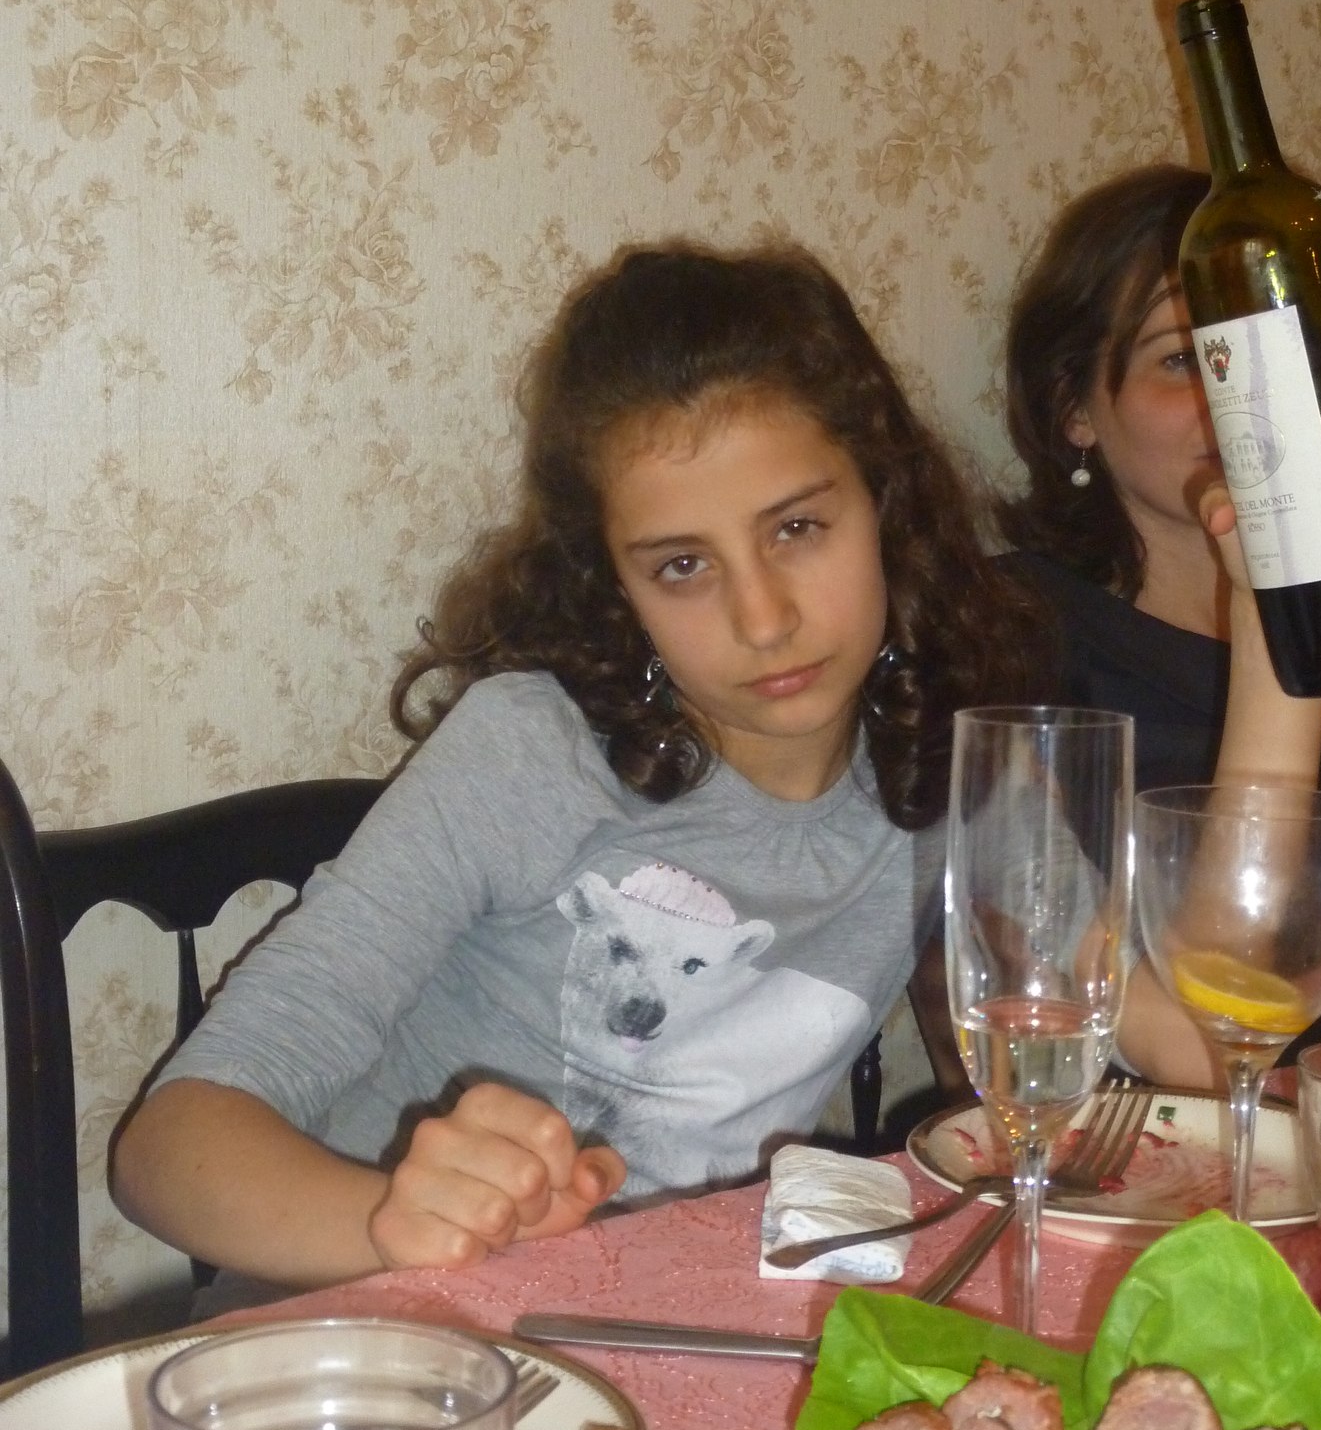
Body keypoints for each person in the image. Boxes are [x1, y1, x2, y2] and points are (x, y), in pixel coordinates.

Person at [111, 243, 1047, 1291]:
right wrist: (393, 1222)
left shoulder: (963, 760)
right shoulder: (532, 751)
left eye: (797, 527)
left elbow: (1158, 1027)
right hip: (375, 1326)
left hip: (660, 1329)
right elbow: (165, 1150)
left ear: (888, 506)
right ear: (617, 587)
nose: (763, 617)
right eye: (682, 565)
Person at [998, 165, 1321, 1087]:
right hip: (1169, 1139)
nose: (1237, 395)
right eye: (1183, 359)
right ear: (1074, 409)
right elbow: (1188, 1044)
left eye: (1259, 354)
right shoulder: (1007, 628)